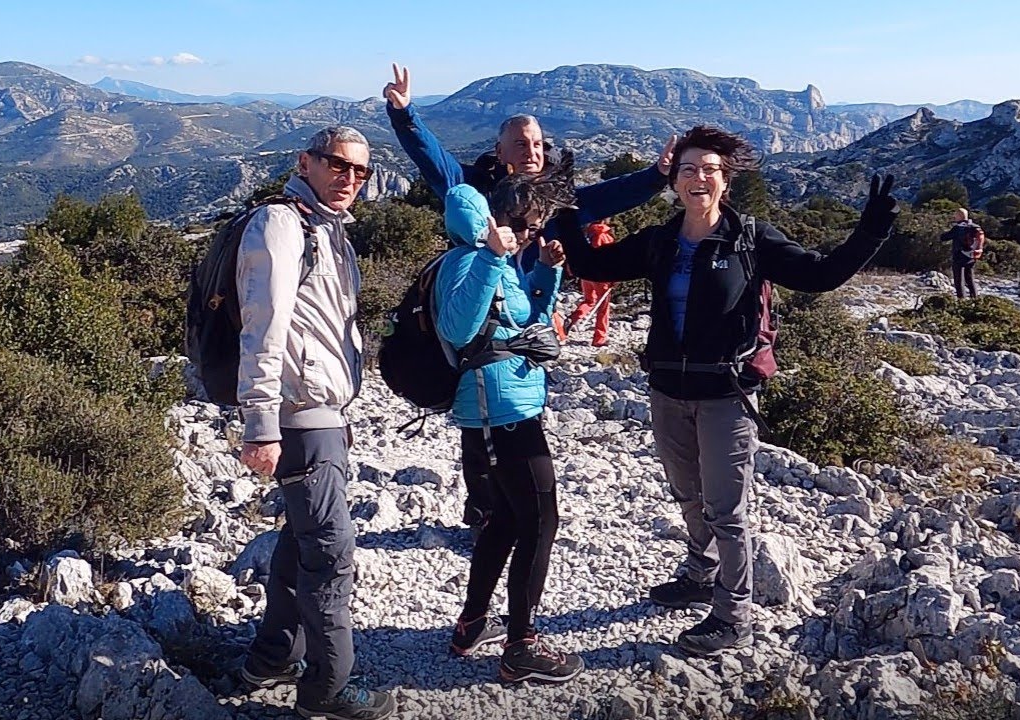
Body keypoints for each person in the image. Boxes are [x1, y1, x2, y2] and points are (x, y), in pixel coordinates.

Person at [556, 125, 899, 657]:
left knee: (726, 509)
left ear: (725, 181)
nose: (698, 178)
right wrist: (564, 215)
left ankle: (732, 614)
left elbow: (821, 275)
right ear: (673, 180)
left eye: (709, 170)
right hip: (668, 389)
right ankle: (699, 571)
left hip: (726, 396)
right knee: (687, 494)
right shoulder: (660, 240)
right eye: (688, 169)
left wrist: (870, 232)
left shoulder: (751, 239)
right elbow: (593, 265)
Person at [383, 61, 675, 536]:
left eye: (538, 142)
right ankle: (484, 514)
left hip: (525, 326)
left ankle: (514, 510)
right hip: (478, 325)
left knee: (520, 414)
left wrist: (657, 176)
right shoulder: (476, 193)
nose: (532, 150)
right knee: (479, 420)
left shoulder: (554, 201)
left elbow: (607, 197)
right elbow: (433, 160)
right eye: (520, 142)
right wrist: (405, 114)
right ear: (498, 152)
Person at [236, 126, 396, 720]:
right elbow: (263, 322)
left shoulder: (325, 228)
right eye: (338, 164)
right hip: (299, 416)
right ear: (306, 162)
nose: (349, 178)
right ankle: (329, 688)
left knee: (300, 540)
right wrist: (259, 422)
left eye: (361, 170)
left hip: (319, 413)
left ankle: (272, 655)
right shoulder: (282, 224)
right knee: (330, 551)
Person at [435, 171, 584, 683]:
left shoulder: (491, 261)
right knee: (541, 521)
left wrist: (545, 273)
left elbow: (524, 324)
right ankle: (521, 644)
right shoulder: (466, 261)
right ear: (492, 219)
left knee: (505, 520)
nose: (527, 233)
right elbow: (457, 328)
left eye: (533, 226)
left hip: (508, 406)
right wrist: (495, 257)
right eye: (521, 223)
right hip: (498, 414)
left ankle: (472, 624)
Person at [565, 218, 618, 346]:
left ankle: (572, 319)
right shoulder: (603, 235)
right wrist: (614, 277)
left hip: (585, 274)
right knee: (603, 307)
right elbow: (609, 259)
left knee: (589, 301)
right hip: (600, 277)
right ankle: (599, 338)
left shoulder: (587, 234)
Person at [942, 208, 982, 298]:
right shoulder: (975, 227)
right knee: (970, 279)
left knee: (959, 280)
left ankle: (961, 302)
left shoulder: (958, 228)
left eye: (955, 215)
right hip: (972, 256)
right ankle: (975, 300)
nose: (954, 217)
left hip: (959, 257)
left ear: (960, 216)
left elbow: (944, 237)